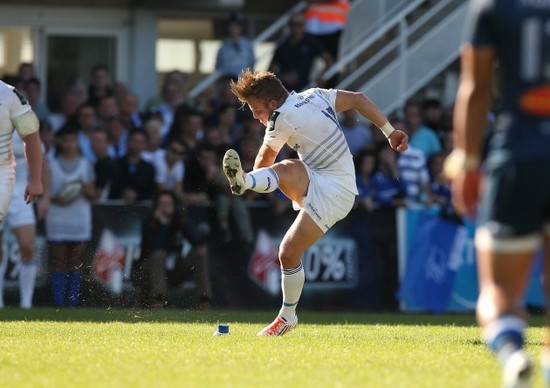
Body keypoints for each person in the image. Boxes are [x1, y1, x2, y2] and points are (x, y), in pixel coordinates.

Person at [222, 69, 408, 336]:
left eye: (255, 108)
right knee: (287, 244)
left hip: (335, 193)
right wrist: (389, 132)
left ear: (272, 104)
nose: (254, 115)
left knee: (287, 247)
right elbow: (358, 98)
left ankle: (287, 317)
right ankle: (287, 318)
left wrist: (254, 181)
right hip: (324, 179)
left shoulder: (281, 118)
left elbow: (265, 157)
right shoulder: (315, 95)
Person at [445, 1, 550, 386]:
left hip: (518, 155)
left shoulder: (493, 7)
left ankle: (512, 353)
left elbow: (475, 89)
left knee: (499, 289)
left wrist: (467, 161)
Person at [0, 80, 43, 307]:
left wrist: (36, 182)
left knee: (28, 245)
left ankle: (26, 303)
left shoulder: (15, 104)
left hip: (18, 188)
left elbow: (36, 149)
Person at [131, 189, 211, 309]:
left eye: (169, 204)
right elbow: (157, 246)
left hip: (172, 274)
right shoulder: (150, 222)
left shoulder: (178, 220)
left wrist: (183, 221)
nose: (166, 208)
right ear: (156, 206)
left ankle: (203, 301)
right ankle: (158, 301)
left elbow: (195, 240)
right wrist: (163, 223)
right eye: (162, 205)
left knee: (199, 253)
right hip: (146, 275)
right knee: (158, 254)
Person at [46, 127, 95, 307]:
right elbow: (47, 194)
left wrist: (86, 189)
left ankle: (72, 303)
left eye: (73, 141)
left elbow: (92, 194)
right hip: (58, 218)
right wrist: (61, 197)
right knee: (58, 262)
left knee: (75, 262)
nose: (69, 144)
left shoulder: (85, 164)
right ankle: (59, 303)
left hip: (79, 218)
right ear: (60, 143)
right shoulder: (50, 165)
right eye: (66, 140)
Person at [268, 11, 333, 92]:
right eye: (292, 24)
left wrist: (321, 76)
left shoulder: (311, 42)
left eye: (298, 24)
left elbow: (328, 60)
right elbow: (270, 69)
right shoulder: (283, 44)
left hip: (305, 89)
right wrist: (282, 76)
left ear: (304, 25)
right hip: (283, 91)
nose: (295, 27)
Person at [215, 12, 256, 79]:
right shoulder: (223, 47)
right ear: (228, 27)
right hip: (228, 81)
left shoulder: (247, 45)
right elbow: (218, 67)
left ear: (241, 27)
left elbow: (252, 64)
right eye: (231, 25)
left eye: (237, 25)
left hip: (244, 81)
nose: (234, 28)